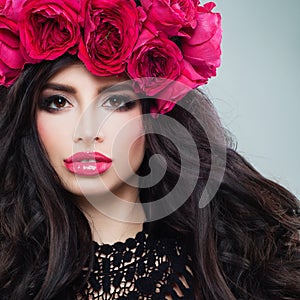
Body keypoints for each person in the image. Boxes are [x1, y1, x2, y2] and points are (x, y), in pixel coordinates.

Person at [0, 0, 299, 299]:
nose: (87, 132)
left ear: (155, 116)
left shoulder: (239, 267)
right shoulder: (9, 273)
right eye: (58, 102)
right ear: (28, 116)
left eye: (116, 102)